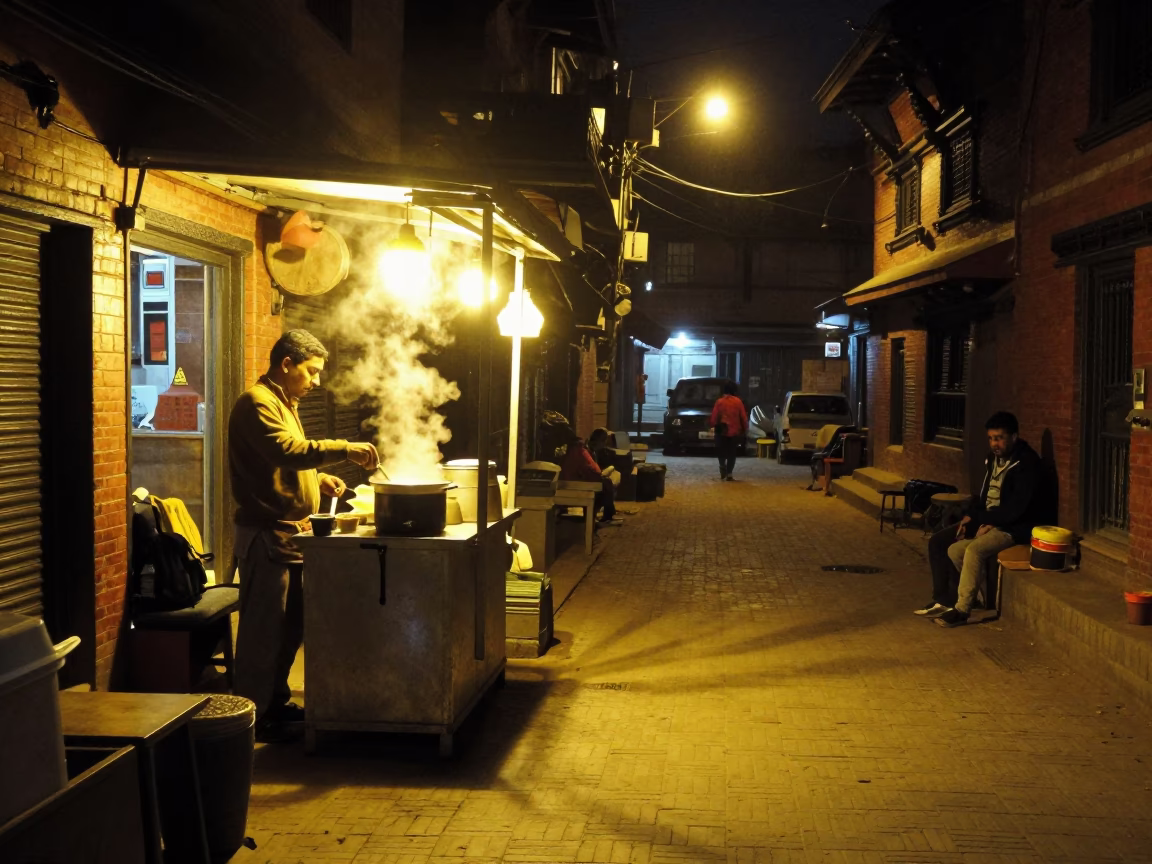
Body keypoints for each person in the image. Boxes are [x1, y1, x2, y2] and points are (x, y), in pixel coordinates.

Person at [228, 329, 379, 742]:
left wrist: (320, 478)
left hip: (293, 537)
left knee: (290, 627)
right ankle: (251, 720)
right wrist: (345, 448)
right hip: (266, 537)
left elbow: (287, 461)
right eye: (311, 372)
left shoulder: (284, 401)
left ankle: (275, 703)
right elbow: (285, 451)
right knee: (263, 633)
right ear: (287, 364)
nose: (316, 382)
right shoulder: (257, 403)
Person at [916, 411, 1044, 628]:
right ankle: (968, 598)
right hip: (992, 520)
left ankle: (962, 609)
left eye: (1000, 438)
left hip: (1014, 527)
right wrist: (972, 518)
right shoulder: (993, 459)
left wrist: (988, 522)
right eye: (991, 438)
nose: (995, 443)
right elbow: (985, 497)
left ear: (1014, 436)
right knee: (952, 548)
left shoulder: (1026, 465)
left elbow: (1015, 510)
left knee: (973, 550)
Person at [559, 426, 620, 525]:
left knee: (606, 482)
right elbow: (595, 473)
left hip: (572, 481)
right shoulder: (581, 451)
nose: (605, 445)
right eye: (604, 442)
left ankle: (603, 515)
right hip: (570, 485)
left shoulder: (581, 449)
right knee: (605, 484)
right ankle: (598, 517)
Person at [710, 381, 749, 481]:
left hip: (721, 431)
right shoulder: (738, 402)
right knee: (732, 453)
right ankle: (729, 473)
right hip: (734, 431)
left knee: (721, 451)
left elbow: (714, 417)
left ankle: (722, 465)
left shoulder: (719, 402)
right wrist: (745, 428)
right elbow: (743, 417)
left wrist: (713, 425)